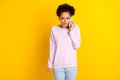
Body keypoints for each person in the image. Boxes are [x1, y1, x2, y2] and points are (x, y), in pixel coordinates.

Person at [46, 3, 81, 80]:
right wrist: (50, 64)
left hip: (71, 66)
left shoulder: (75, 28)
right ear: (59, 18)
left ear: (71, 18)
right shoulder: (54, 29)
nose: (65, 21)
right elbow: (52, 48)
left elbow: (76, 45)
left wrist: (71, 31)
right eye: (62, 18)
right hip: (58, 67)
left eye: (68, 18)